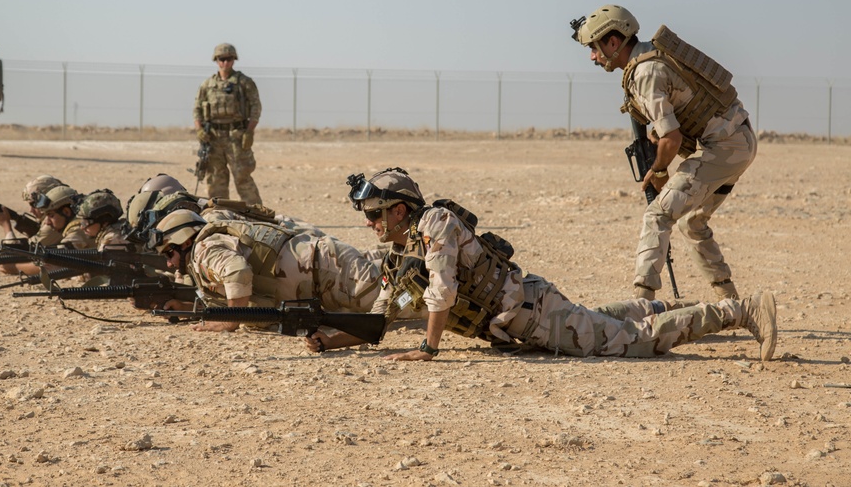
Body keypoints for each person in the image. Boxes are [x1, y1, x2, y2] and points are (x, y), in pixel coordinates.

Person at [303, 168, 777, 362]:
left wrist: (428, 349)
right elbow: (379, 318)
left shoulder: (435, 226)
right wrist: (330, 339)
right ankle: (685, 306)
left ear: (399, 210)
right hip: (527, 314)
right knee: (608, 321)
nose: (370, 225)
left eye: (373, 215)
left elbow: (441, 292)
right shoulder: (401, 253)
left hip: (534, 316)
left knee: (636, 343)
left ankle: (740, 311)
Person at [570, 5, 756, 301]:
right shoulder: (649, 58)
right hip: (736, 140)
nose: (593, 56)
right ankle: (731, 302)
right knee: (691, 220)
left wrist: (658, 172)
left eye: (594, 48)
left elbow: (671, 138)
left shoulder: (645, 72)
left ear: (614, 43)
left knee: (658, 215)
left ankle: (641, 304)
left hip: (725, 147)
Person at [148, 209, 386, 332]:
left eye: (170, 253)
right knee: (392, 272)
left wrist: (230, 322)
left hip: (329, 275)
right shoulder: (207, 247)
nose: (169, 263)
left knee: (400, 302)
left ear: (185, 241)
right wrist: (189, 308)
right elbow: (234, 293)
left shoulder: (203, 251)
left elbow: (237, 273)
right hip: (326, 271)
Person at [193, 43, 263, 205]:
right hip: (213, 138)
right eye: (221, 59)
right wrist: (199, 130)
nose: (225, 63)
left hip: (236, 136)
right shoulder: (207, 85)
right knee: (216, 178)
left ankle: (257, 214)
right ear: (216, 60)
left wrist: (249, 131)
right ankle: (220, 213)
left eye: (229, 59)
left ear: (234, 60)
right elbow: (197, 108)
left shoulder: (244, 83)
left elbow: (256, 107)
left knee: (242, 177)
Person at [0, 174, 66, 246]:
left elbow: (25, 251)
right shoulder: (65, 211)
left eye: (34, 204)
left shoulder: (56, 222)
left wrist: (6, 226)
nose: (31, 210)